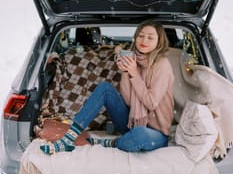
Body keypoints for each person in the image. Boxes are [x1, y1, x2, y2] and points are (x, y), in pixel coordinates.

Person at [40, 20, 175, 155]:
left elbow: (151, 103)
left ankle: (112, 143)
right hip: (131, 123)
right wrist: (125, 73)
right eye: (140, 35)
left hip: (156, 133)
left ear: (159, 42)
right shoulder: (134, 60)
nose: (144, 40)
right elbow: (128, 101)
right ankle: (68, 139)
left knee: (139, 135)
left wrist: (134, 74)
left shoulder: (162, 64)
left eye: (150, 37)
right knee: (105, 88)